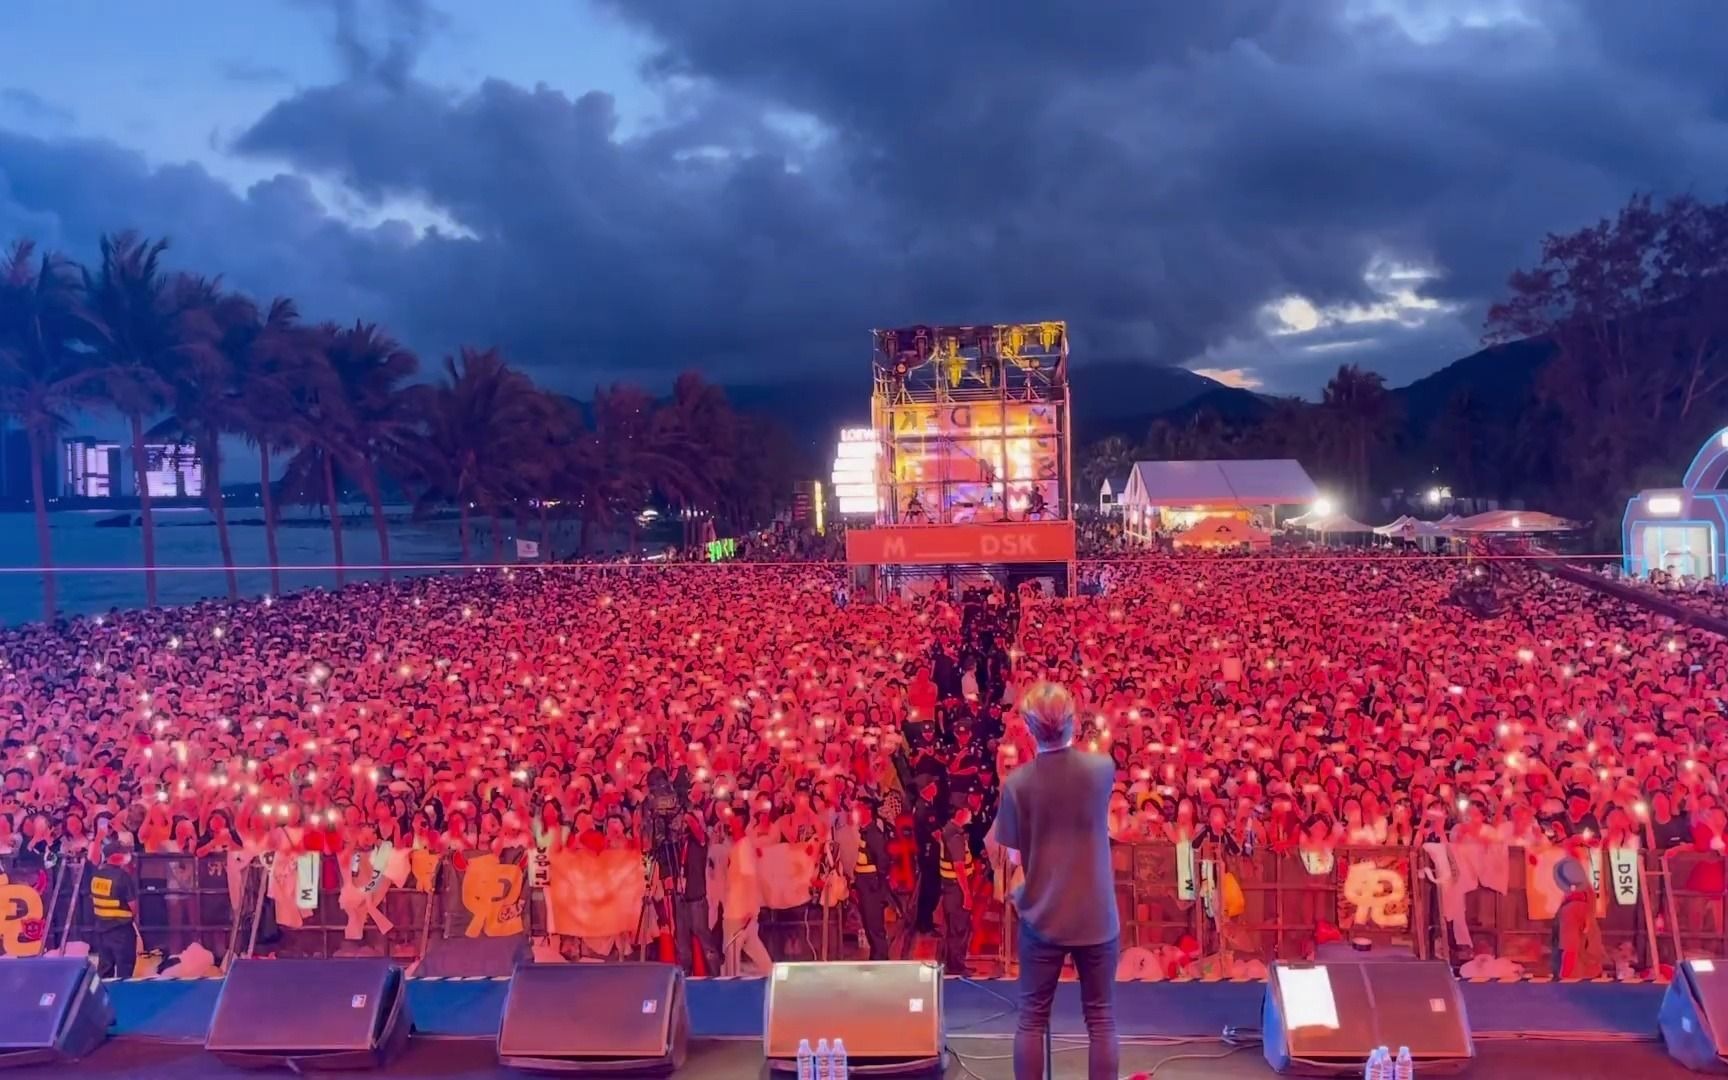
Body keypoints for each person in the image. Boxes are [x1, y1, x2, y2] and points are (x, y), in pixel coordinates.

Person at [992, 682, 1118, 1080]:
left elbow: (1014, 855)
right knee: (1100, 1020)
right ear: (1072, 724)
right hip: (1096, 915)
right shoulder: (1102, 769)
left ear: (1029, 729)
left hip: (1043, 915)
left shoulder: (1017, 784)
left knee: (1031, 1019)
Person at [85, 836, 140, 979]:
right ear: (114, 856)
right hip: (121, 930)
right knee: (125, 969)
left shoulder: (96, 874)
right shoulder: (122, 876)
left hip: (102, 929)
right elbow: (133, 905)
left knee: (105, 968)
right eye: (122, 853)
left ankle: (103, 998)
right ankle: (123, 998)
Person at [853, 792, 895, 960]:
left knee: (874, 924)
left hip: (872, 885)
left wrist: (876, 881)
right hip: (863, 884)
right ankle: (875, 956)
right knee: (868, 922)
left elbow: (883, 860)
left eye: (858, 809)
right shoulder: (862, 832)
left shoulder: (874, 834)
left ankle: (881, 957)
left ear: (867, 811)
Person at [938, 805, 975, 976]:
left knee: (955, 927)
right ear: (959, 814)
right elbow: (959, 866)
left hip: (951, 887)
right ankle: (956, 966)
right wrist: (967, 893)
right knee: (959, 928)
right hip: (956, 889)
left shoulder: (948, 830)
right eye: (967, 811)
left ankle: (953, 963)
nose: (970, 814)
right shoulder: (955, 836)